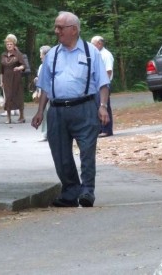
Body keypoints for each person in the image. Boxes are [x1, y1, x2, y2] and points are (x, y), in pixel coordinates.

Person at [31, 11, 110, 208]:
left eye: (60, 28)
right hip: (57, 111)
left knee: (87, 152)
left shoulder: (91, 52)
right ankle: (70, 192)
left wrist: (102, 107)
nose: (56, 31)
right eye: (56, 27)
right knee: (60, 154)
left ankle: (87, 191)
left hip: (84, 108)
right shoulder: (52, 55)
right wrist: (40, 111)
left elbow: (103, 83)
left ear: (73, 30)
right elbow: (45, 87)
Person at [0, 34, 28, 124]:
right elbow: (1, 70)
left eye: (10, 44)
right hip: (6, 79)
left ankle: (22, 117)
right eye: (7, 44)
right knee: (8, 98)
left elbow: (24, 65)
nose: (9, 46)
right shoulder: (3, 55)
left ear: (14, 44)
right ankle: (8, 118)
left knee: (18, 96)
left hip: (16, 79)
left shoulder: (18, 54)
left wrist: (19, 68)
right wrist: (1, 81)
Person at [91, 35, 114, 137]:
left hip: (104, 85)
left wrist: (105, 85)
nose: (92, 46)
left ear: (99, 43)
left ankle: (107, 130)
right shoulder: (97, 54)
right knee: (97, 106)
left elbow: (108, 71)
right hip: (97, 85)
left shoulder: (106, 55)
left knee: (104, 106)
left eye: (93, 44)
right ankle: (100, 129)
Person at [35, 45, 52, 141]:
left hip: (49, 93)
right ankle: (45, 133)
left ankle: (50, 133)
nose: (40, 56)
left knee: (50, 113)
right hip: (43, 92)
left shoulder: (50, 65)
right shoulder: (42, 66)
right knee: (45, 113)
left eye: (41, 54)